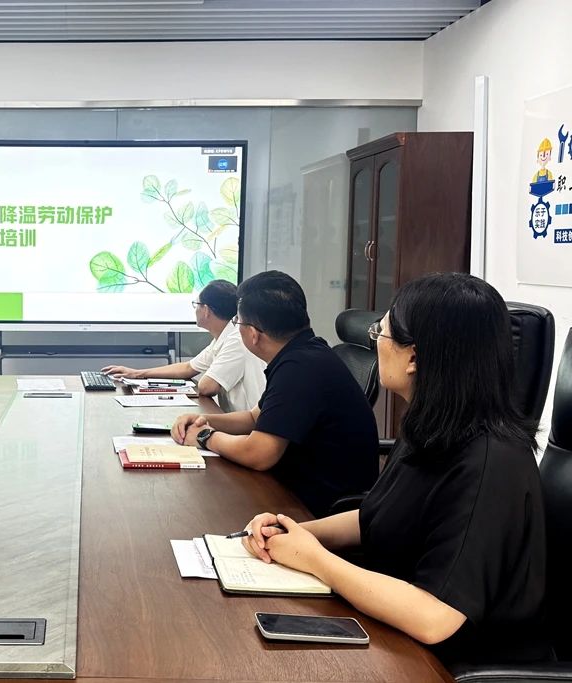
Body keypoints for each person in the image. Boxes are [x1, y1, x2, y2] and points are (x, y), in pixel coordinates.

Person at [238, 273, 548, 667]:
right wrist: (293, 532)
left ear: (413, 357)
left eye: (379, 333)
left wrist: (315, 559)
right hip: (391, 632)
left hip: (446, 665)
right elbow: (375, 517)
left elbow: (436, 619)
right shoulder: (432, 428)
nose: (376, 343)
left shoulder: (490, 463)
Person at [172, 271, 378, 517]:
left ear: (253, 334)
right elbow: (254, 418)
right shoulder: (303, 352)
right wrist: (205, 420)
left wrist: (205, 436)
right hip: (292, 487)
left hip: (314, 508)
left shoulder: (300, 368)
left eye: (238, 322)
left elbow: (259, 453)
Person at [101, 279, 266, 412]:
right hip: (236, 422)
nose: (195, 310)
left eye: (196, 304)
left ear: (206, 310)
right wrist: (136, 374)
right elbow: (188, 367)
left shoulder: (236, 339)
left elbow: (207, 387)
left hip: (249, 429)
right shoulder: (224, 336)